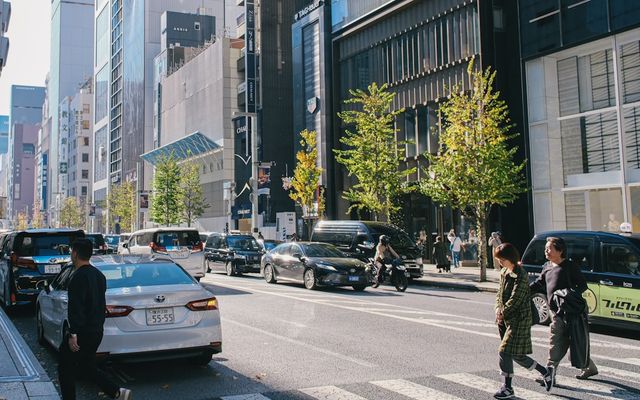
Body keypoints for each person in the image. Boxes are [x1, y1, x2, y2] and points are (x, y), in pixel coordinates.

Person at [58, 239, 131, 400]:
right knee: (87, 366)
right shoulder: (99, 276)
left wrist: (73, 334)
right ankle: (117, 391)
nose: (71, 254)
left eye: (72, 252)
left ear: (75, 254)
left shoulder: (77, 277)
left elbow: (76, 307)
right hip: (96, 330)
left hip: (81, 332)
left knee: (65, 367)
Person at [529, 237, 598, 388]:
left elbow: (583, 285)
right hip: (556, 312)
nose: (546, 251)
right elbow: (540, 283)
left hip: (571, 311)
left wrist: (568, 294)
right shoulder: (547, 266)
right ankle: (588, 368)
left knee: (573, 341)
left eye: (549, 248)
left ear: (560, 251)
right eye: (545, 248)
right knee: (557, 341)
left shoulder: (570, 266)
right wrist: (525, 290)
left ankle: (549, 374)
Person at [493, 243, 551, 399]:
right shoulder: (504, 272)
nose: (500, 263)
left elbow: (516, 298)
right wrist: (498, 309)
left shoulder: (521, 274)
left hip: (520, 320)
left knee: (504, 351)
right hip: (506, 319)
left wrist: (503, 312)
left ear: (510, 258)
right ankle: (545, 372)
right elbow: (499, 293)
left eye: (502, 260)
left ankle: (507, 388)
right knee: (517, 355)